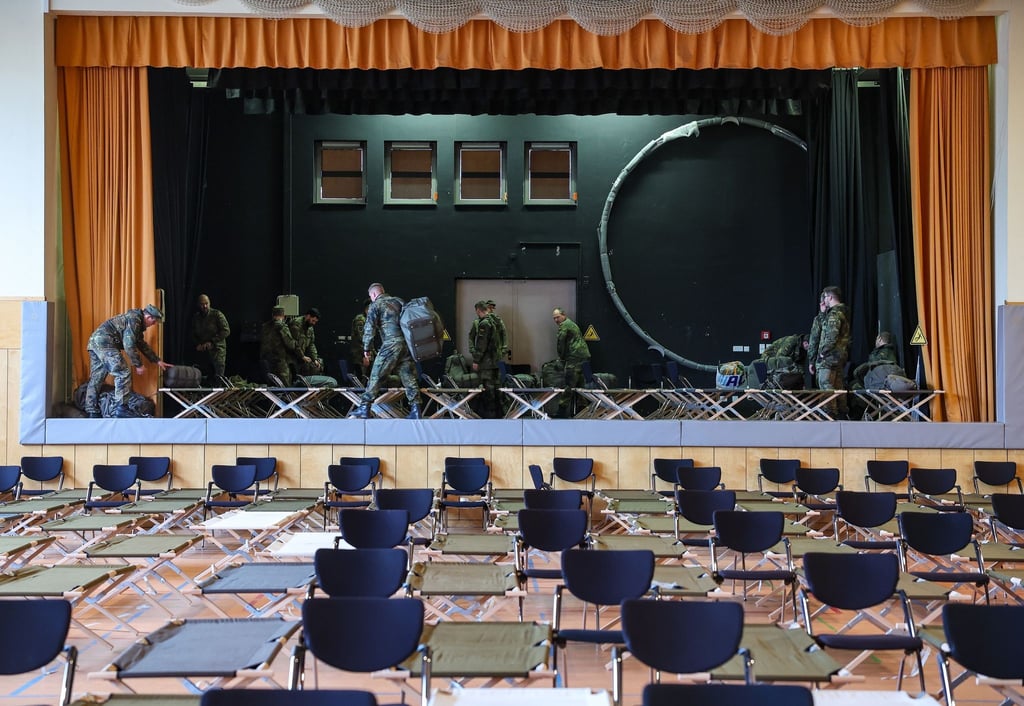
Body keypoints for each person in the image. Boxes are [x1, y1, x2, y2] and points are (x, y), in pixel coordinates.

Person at [84, 304, 174, 418]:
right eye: (154, 321)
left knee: (97, 378)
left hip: (95, 343)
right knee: (123, 372)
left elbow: (141, 344)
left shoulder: (135, 323)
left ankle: (92, 411)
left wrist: (156, 360)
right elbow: (129, 345)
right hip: (105, 343)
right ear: (148, 317)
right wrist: (138, 364)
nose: (154, 324)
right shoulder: (134, 320)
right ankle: (121, 408)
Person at [348, 283, 421, 419]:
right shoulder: (399, 301)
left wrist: (367, 348)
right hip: (406, 345)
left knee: (376, 375)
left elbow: (369, 329)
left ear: (373, 294)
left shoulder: (375, 305)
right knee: (408, 376)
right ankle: (416, 409)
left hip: (390, 344)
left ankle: (364, 407)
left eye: (371, 296)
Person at [814, 285, 852, 417]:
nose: (823, 300)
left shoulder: (834, 314)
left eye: (825, 297)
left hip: (830, 356)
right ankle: (842, 413)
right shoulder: (842, 313)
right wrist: (823, 313)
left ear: (830, 297)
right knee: (838, 385)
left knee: (825, 383)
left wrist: (822, 353)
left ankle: (830, 413)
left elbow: (831, 337)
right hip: (839, 356)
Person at [552, 307, 591, 418]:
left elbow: (561, 343)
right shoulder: (572, 324)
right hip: (584, 357)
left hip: (574, 357)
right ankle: (584, 410)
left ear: (564, 315)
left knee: (569, 383)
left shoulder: (564, 326)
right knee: (581, 384)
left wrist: (561, 358)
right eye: (554, 318)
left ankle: (561, 411)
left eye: (558, 317)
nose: (556, 320)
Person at [289, 307, 336, 386]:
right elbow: (294, 343)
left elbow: (311, 344)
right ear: (308, 316)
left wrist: (315, 359)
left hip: (301, 358)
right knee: (292, 381)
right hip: (291, 357)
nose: (314, 323)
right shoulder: (296, 324)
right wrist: (302, 356)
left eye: (315, 322)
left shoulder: (310, 328)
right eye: (313, 320)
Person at [469, 300, 500, 418]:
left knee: (488, 389)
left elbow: (481, 344)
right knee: (494, 387)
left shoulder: (484, 324)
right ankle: (496, 414)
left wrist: (476, 360)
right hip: (493, 361)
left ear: (478, 310)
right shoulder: (494, 321)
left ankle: (489, 415)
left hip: (486, 362)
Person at [190, 294, 230, 381]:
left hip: (217, 349)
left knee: (218, 377)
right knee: (204, 377)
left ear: (209, 303)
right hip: (204, 352)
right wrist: (198, 344)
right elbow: (193, 334)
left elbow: (226, 331)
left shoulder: (217, 315)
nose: (204, 306)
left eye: (206, 303)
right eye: (202, 304)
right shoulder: (196, 317)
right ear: (198, 305)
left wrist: (212, 341)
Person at [259, 305, 300, 386]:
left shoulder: (265, 327)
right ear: (283, 316)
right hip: (280, 364)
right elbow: (291, 345)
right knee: (284, 387)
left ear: (272, 315)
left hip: (267, 362)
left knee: (270, 387)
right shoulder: (282, 327)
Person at [350, 299, 372, 379]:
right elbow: (362, 340)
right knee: (362, 379)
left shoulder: (369, 320)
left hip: (367, 355)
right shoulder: (360, 320)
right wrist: (365, 356)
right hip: (360, 356)